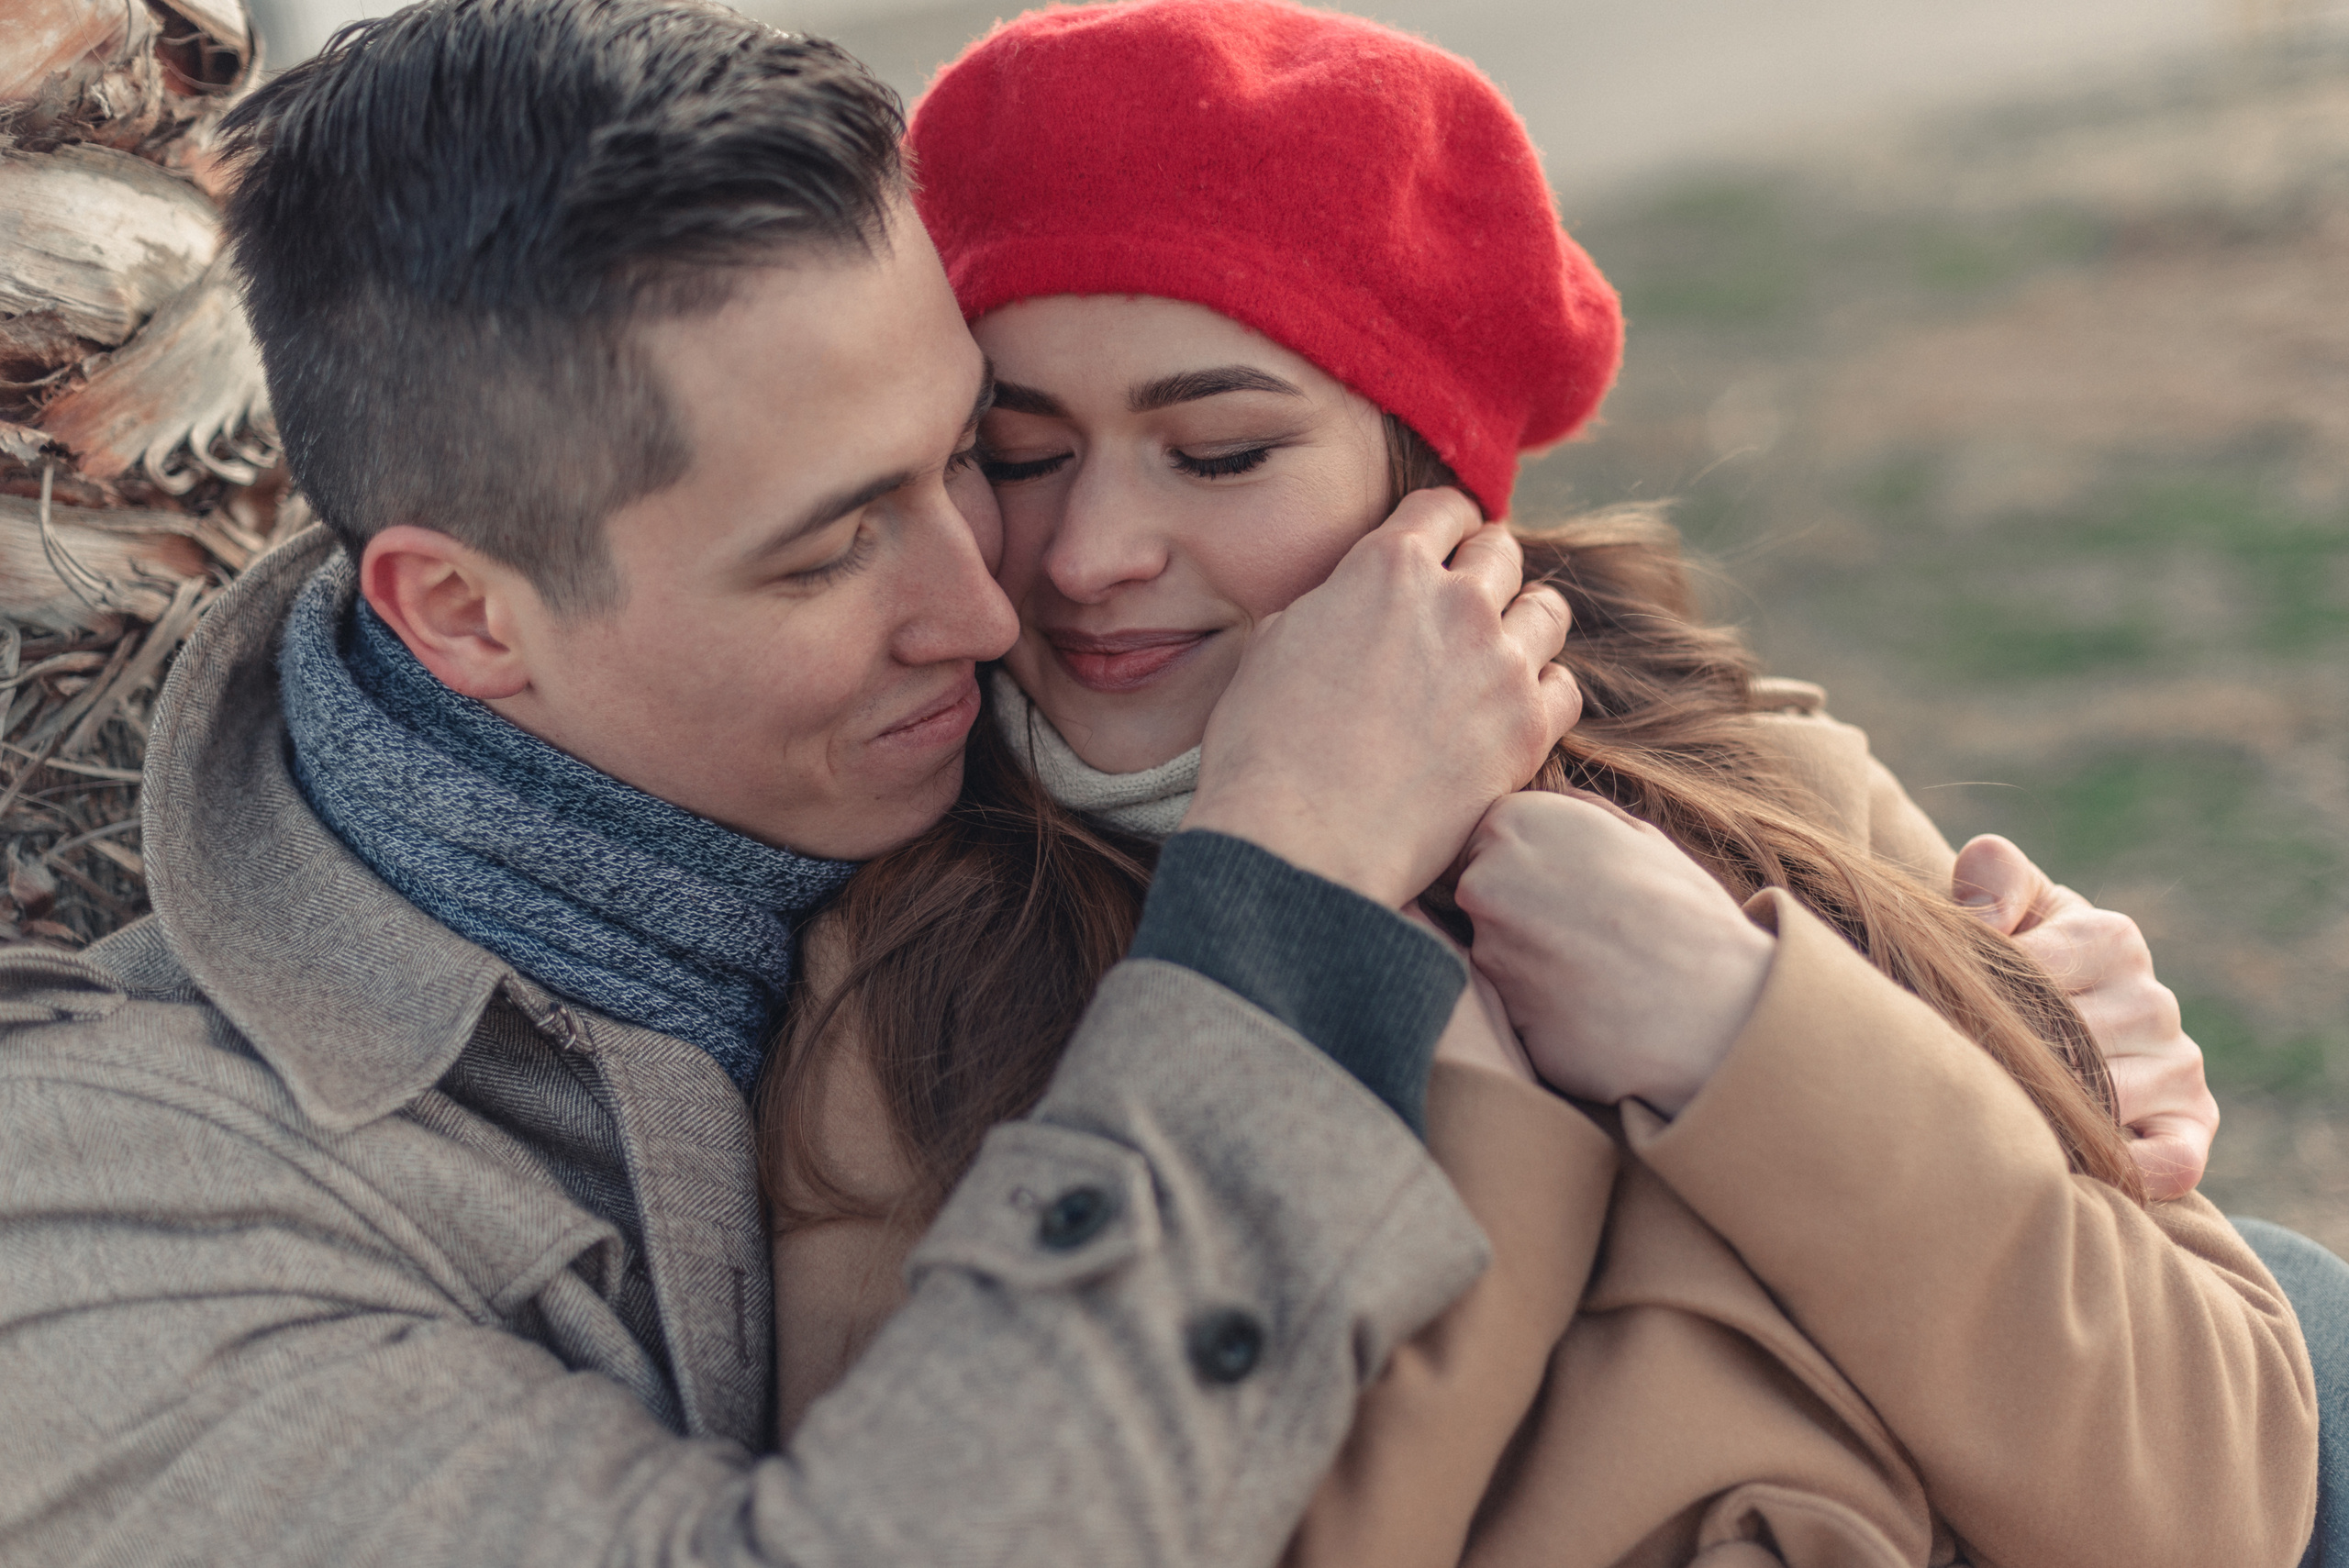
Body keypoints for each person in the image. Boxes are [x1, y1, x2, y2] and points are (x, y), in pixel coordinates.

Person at [0, 2, 1587, 1562]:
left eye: (974, 452)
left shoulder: (1082, 752)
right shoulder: (105, 1213)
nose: (990, 605)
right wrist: (1289, 896)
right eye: (833, 547)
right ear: (467, 613)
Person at [759, 4, 2326, 1564]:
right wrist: (1461, 1078)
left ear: (1426, 480)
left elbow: (2226, 1494)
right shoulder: (906, 994)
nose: (1092, 555)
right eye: (1022, 455)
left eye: (1221, 453)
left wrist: (1751, 1035)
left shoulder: (1757, 784)